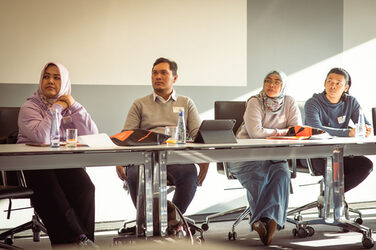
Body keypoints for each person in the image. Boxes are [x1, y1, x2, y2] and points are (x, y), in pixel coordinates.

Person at [17, 62, 99, 247]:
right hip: (33, 165)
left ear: (65, 82)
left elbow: (92, 136)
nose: (50, 81)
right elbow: (43, 137)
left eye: (56, 77)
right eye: (46, 76)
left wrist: (75, 106)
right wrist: (57, 107)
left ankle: (86, 240)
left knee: (86, 187)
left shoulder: (71, 107)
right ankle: (77, 239)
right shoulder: (29, 107)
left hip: (62, 162)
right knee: (51, 188)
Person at [116, 57, 209, 216]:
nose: (158, 77)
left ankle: (174, 218)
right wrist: (119, 161)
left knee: (189, 173)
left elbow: (198, 135)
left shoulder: (186, 102)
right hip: (144, 158)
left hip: (175, 158)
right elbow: (127, 135)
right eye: (154, 73)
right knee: (134, 175)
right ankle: (147, 219)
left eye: (163, 73)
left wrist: (204, 160)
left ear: (175, 77)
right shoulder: (140, 104)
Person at [227, 70, 301, 246]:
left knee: (282, 174)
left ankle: (262, 220)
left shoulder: (289, 102)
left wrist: (286, 133)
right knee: (259, 173)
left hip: (275, 156)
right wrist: (284, 132)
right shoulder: (255, 101)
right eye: (268, 81)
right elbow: (255, 133)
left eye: (277, 82)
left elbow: (297, 130)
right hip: (245, 155)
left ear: (283, 85)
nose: (271, 85)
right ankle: (267, 219)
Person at [304, 67, 373, 193]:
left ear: (345, 88)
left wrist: (366, 129)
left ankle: (332, 196)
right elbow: (316, 129)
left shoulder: (351, 102)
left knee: (366, 165)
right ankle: (334, 203)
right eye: (329, 81)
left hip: (339, 153)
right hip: (313, 154)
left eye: (338, 83)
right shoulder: (312, 103)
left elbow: (365, 124)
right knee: (334, 169)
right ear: (324, 83)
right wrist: (348, 133)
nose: (332, 86)